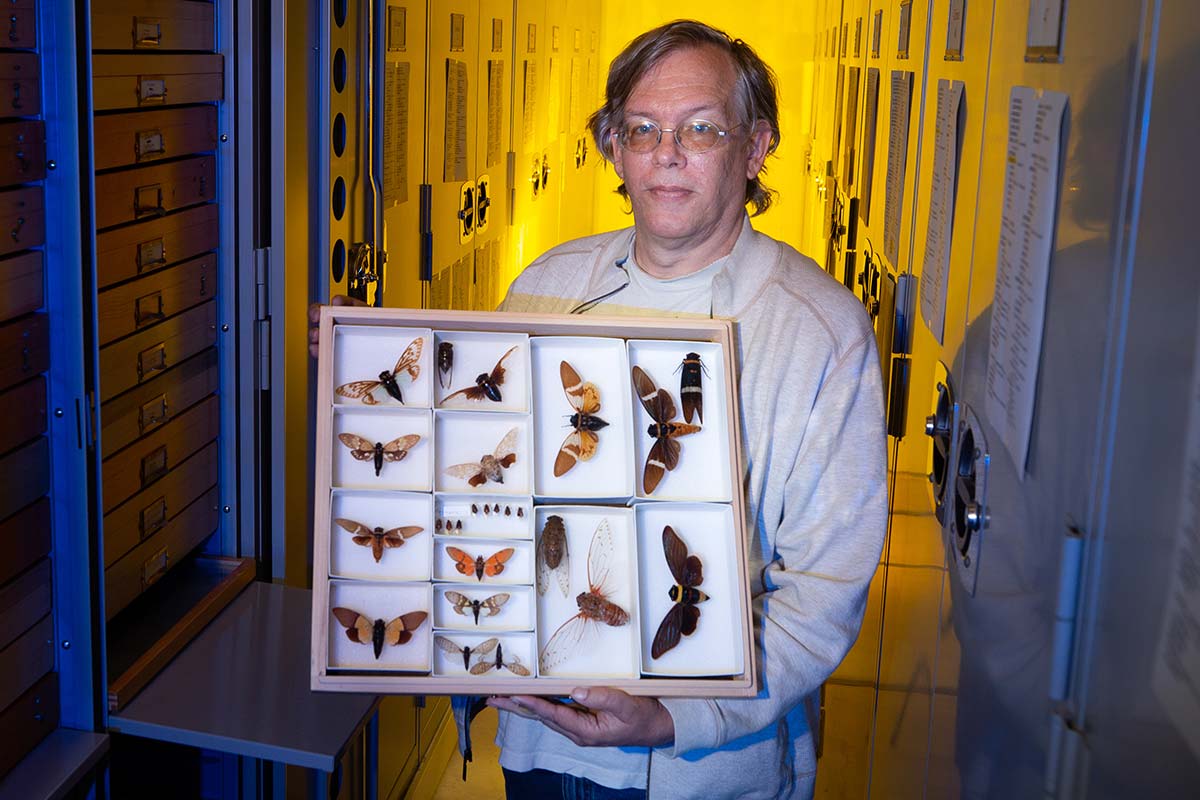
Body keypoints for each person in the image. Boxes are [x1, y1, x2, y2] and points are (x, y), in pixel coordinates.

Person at [310, 20, 886, 799]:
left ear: (755, 149)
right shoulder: (548, 283)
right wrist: (376, 382)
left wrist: (684, 716)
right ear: (613, 146)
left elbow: (824, 589)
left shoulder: (819, 331)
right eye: (642, 128)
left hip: (701, 764)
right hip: (542, 744)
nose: (667, 153)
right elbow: (479, 480)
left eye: (702, 129)